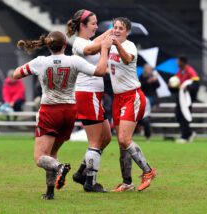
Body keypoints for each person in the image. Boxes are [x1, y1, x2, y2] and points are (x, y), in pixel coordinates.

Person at [13, 31, 112, 200]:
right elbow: (101, 71)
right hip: (69, 112)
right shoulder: (74, 60)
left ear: (48, 45)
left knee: (40, 158)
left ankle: (59, 167)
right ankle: (50, 192)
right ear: (65, 45)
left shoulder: (41, 62)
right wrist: (104, 49)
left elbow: (16, 74)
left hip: (50, 110)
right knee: (51, 153)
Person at [108, 17, 157, 192]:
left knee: (124, 139)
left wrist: (116, 44)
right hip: (118, 98)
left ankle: (148, 170)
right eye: (115, 27)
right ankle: (127, 182)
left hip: (132, 96)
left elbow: (128, 59)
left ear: (127, 31)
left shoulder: (129, 45)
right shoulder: (110, 46)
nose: (117, 30)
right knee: (121, 143)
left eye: (121, 28)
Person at [66, 9, 112, 192]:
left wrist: (113, 30)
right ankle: (90, 182)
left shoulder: (89, 40)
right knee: (95, 141)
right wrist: (105, 46)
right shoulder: (78, 42)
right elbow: (91, 48)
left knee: (106, 137)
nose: (95, 26)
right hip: (87, 94)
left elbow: (96, 42)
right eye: (93, 23)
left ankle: (81, 173)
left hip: (95, 95)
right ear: (82, 25)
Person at [171, 56, 199, 143]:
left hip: (187, 99)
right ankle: (189, 133)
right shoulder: (179, 71)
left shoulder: (190, 71)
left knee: (185, 117)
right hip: (180, 97)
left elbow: (196, 84)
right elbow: (176, 85)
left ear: (182, 62)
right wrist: (171, 86)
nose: (177, 63)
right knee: (178, 115)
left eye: (178, 61)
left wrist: (188, 87)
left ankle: (185, 137)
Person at [139, 63, 160, 141]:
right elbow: (140, 86)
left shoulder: (153, 76)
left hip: (152, 97)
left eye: (149, 69)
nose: (148, 70)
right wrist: (148, 81)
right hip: (144, 96)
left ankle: (145, 118)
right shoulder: (142, 76)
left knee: (148, 103)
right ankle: (144, 122)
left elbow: (158, 85)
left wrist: (155, 80)